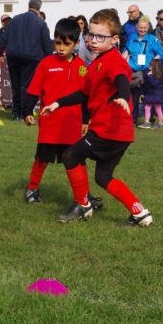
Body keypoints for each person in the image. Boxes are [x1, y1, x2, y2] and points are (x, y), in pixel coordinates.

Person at [41, 9, 153, 226]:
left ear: (114, 40)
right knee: (103, 177)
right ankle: (139, 212)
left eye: (100, 37)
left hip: (108, 130)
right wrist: (57, 103)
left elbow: (122, 79)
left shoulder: (113, 60)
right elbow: (83, 93)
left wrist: (122, 96)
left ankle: (83, 206)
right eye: (90, 35)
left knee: (71, 155)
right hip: (121, 133)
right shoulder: (97, 62)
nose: (93, 40)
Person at [22, 18, 101, 209]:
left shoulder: (83, 66)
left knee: (77, 161)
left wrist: (85, 119)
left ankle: (85, 195)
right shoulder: (46, 63)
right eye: (57, 42)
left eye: (66, 44)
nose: (61, 47)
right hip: (50, 123)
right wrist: (27, 111)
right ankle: (32, 189)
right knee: (42, 158)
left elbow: (85, 97)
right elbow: (34, 90)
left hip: (72, 125)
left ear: (76, 43)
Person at [0, 0, 53, 120]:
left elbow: (4, 37)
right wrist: (51, 59)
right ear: (39, 9)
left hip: (13, 56)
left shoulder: (15, 19)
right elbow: (46, 44)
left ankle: (15, 112)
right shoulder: (41, 23)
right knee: (25, 86)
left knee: (15, 85)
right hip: (31, 58)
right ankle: (24, 113)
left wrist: (0, 53)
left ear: (28, 5)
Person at [122, 15, 163, 125]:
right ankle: (132, 118)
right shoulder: (131, 37)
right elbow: (126, 49)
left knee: (150, 96)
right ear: (137, 27)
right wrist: (124, 55)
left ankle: (150, 119)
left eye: (145, 28)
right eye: (141, 27)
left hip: (147, 71)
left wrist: (155, 60)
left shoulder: (152, 39)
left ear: (148, 27)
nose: (142, 30)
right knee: (134, 96)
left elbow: (161, 52)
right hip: (134, 71)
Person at [139, 59, 163, 129]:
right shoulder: (157, 75)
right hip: (152, 94)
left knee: (157, 109)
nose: (149, 67)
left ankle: (159, 124)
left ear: (155, 67)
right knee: (148, 107)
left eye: (151, 66)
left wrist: (149, 75)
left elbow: (154, 84)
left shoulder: (158, 76)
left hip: (156, 95)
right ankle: (148, 122)